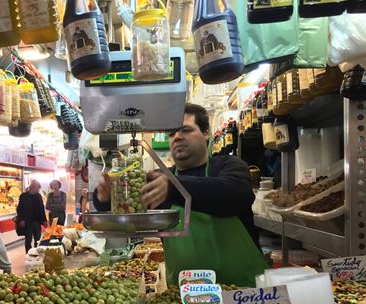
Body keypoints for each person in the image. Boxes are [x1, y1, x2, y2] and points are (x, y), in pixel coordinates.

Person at [94, 102, 266, 287]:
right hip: (183, 298)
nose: (177, 137)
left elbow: (236, 193)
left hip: (241, 293)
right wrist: (106, 199)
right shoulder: (161, 180)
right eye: (171, 133)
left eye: (185, 130)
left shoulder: (228, 166)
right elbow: (131, 208)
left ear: (206, 132)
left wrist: (174, 187)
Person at [17, 180, 46, 253]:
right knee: (28, 240)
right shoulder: (24, 196)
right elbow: (19, 209)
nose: (38, 189)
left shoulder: (38, 196)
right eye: (37, 188)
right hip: (28, 222)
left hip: (37, 222)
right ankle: (29, 254)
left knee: (38, 239)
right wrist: (21, 219)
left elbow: (41, 209)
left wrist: (44, 220)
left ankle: (37, 253)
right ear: (32, 187)